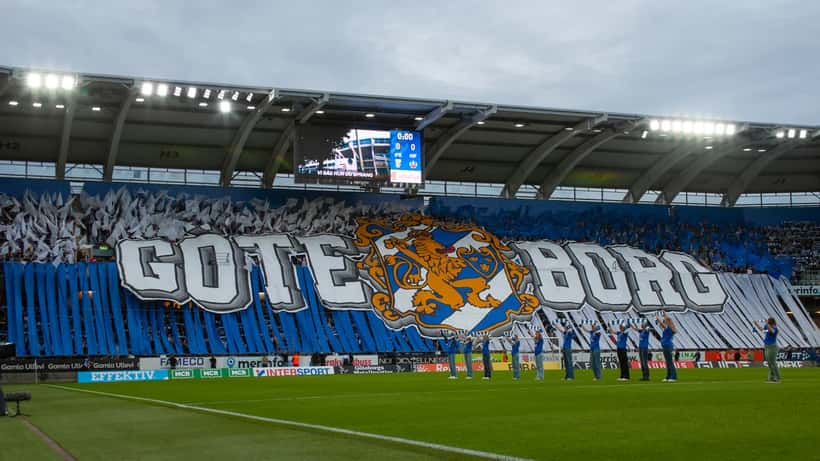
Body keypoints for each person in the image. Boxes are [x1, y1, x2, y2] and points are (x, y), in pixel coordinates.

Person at [754, 318, 781, 383]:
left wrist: (767, 324)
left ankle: (777, 378)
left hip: (772, 346)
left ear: (770, 322)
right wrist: (756, 324)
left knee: (773, 362)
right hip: (766, 346)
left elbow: (772, 331)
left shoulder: (775, 328)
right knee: (769, 363)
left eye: (768, 321)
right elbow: (763, 330)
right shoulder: (767, 326)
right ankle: (771, 378)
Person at [657, 312, 678, 382]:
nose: (664, 323)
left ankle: (673, 377)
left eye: (665, 322)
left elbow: (668, 320)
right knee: (668, 362)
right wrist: (659, 318)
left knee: (670, 362)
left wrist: (664, 314)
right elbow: (663, 324)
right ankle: (668, 376)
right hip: (665, 346)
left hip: (668, 346)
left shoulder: (670, 328)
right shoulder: (666, 329)